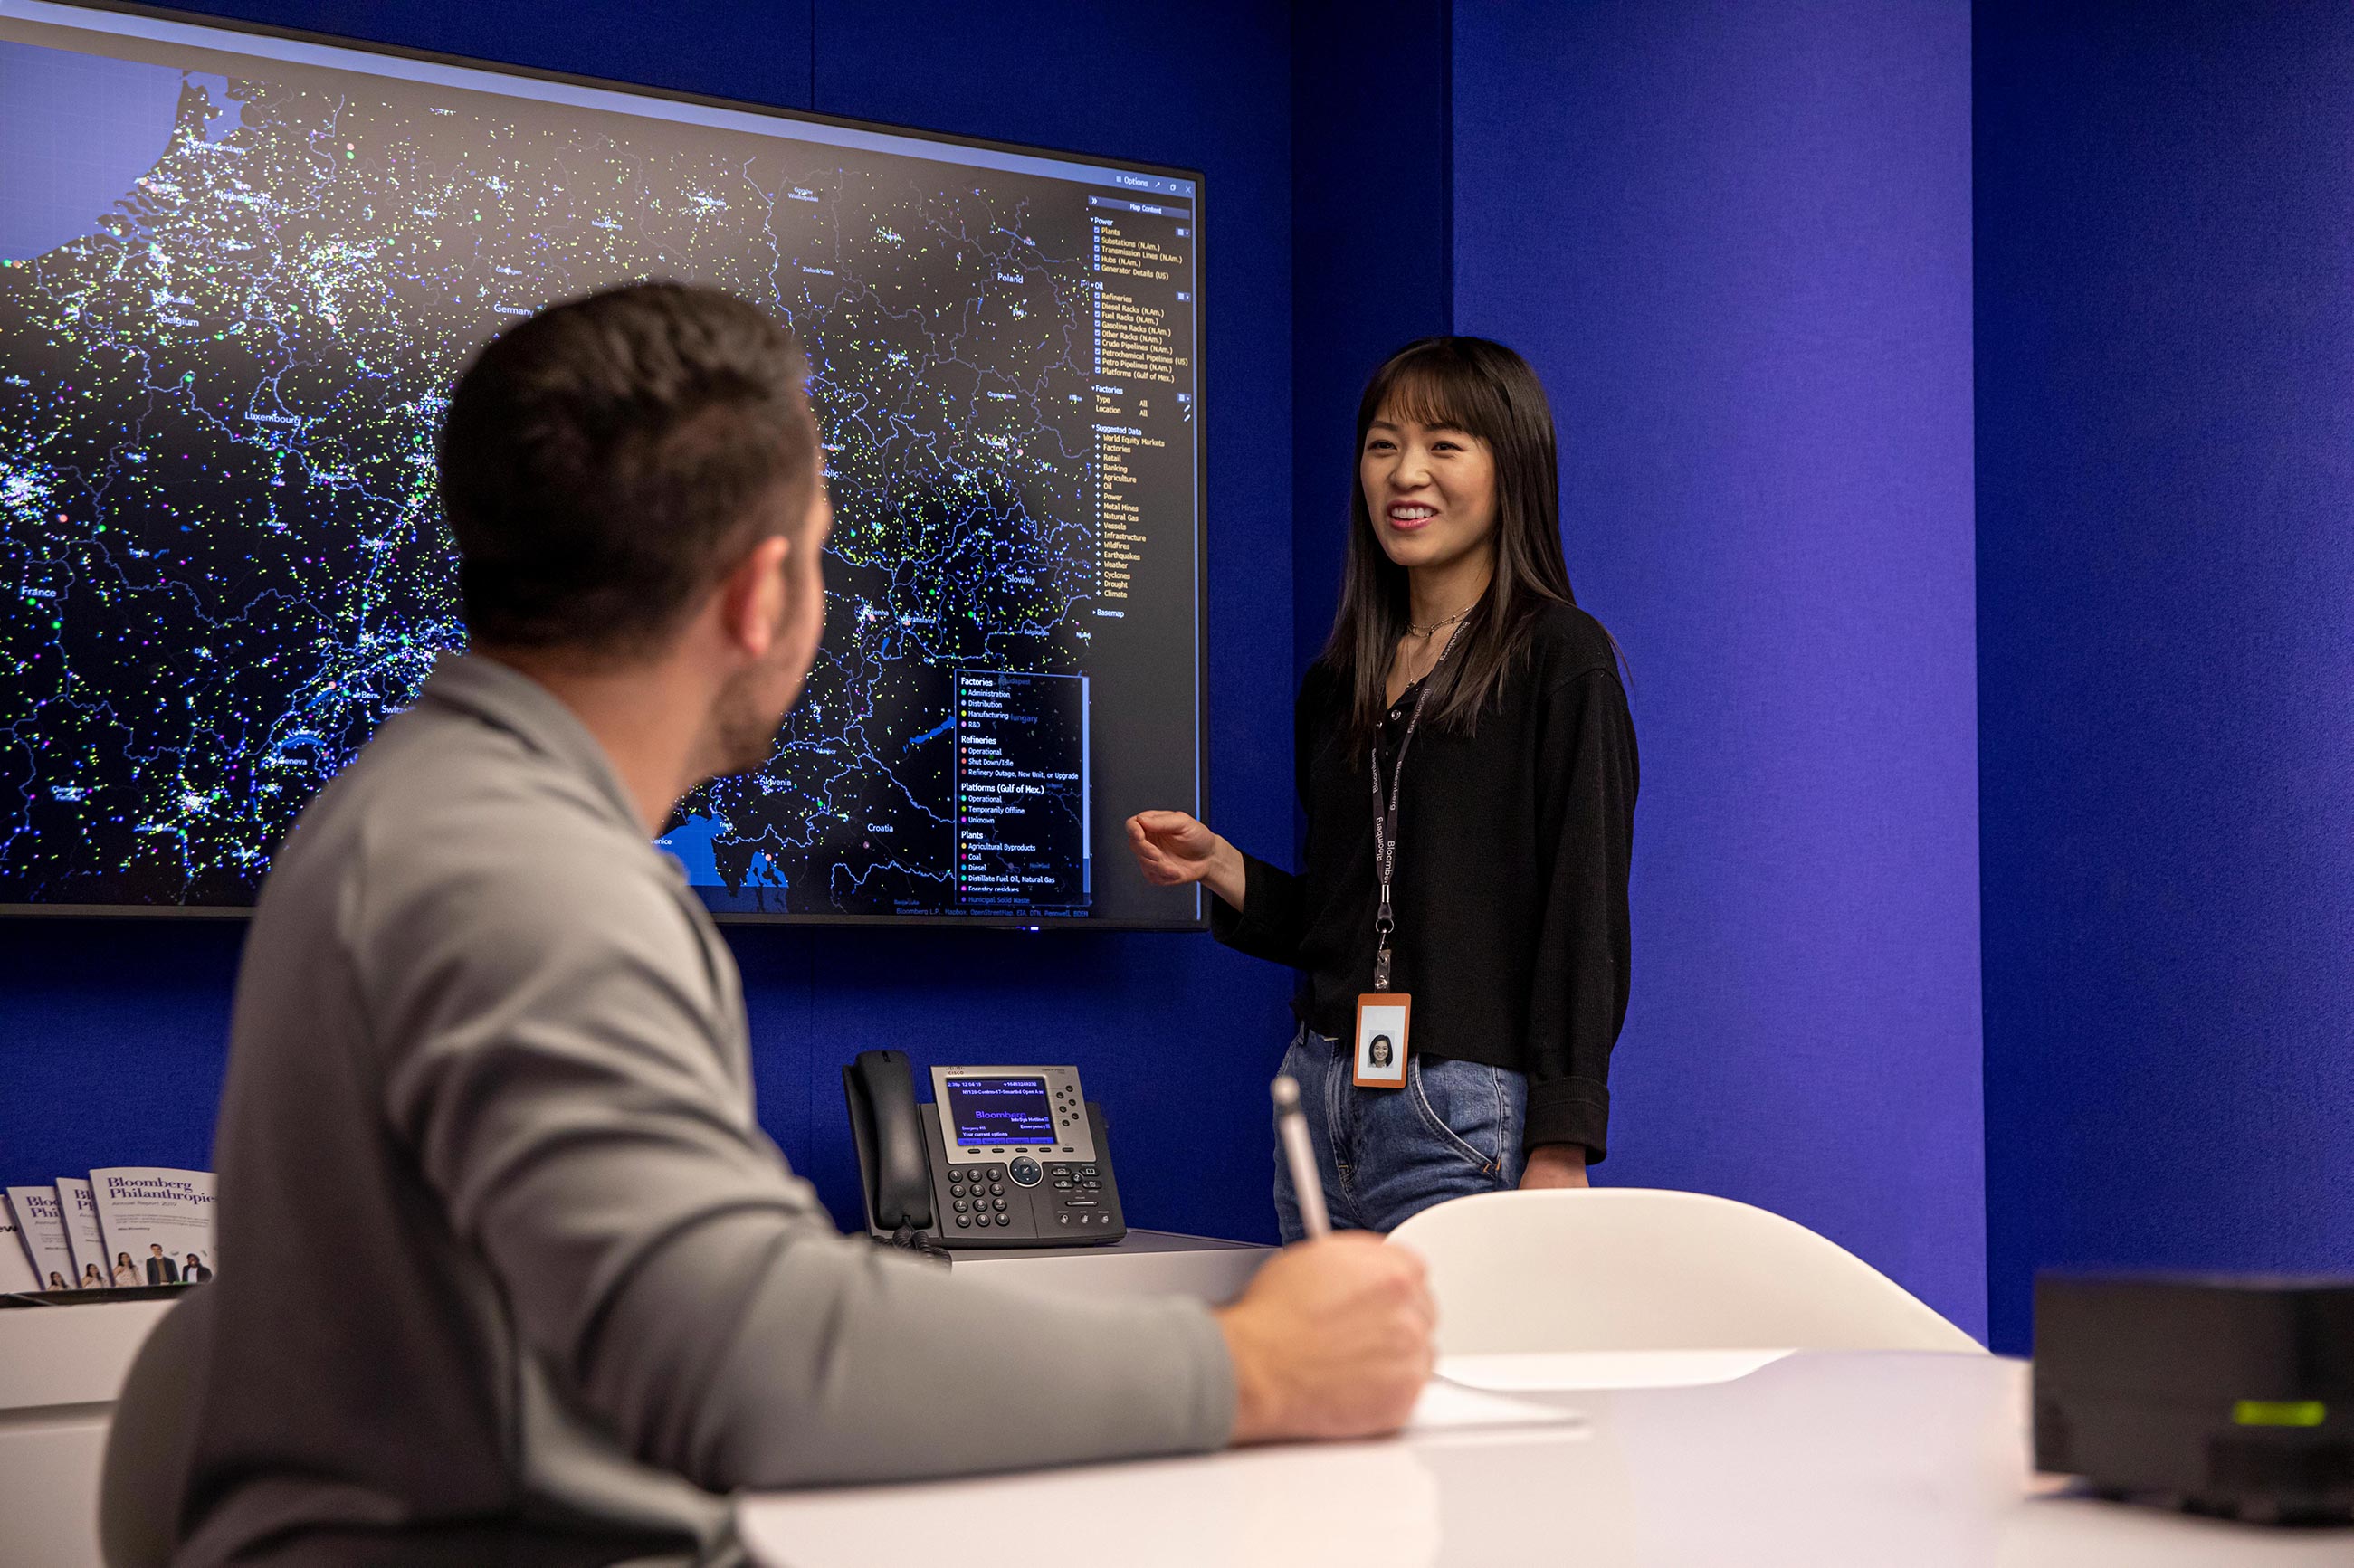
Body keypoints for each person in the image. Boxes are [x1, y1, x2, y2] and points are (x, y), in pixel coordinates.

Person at [154, 281, 1433, 1568]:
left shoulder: (431, 804)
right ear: (762, 594)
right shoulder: (521, 872)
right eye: (820, 552)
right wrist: (1247, 1364)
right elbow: (743, 1357)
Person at [1128, 337, 1637, 1238]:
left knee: (1465, 1383)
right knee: (1334, 1381)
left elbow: (1583, 910)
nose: (1408, 473)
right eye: (1383, 444)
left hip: (1464, 1114)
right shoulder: (1339, 684)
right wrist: (1223, 867)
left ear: (1511, 463)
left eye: (1447, 444)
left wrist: (1563, 1140)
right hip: (1321, 1101)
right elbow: (1348, 922)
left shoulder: (1561, 657)